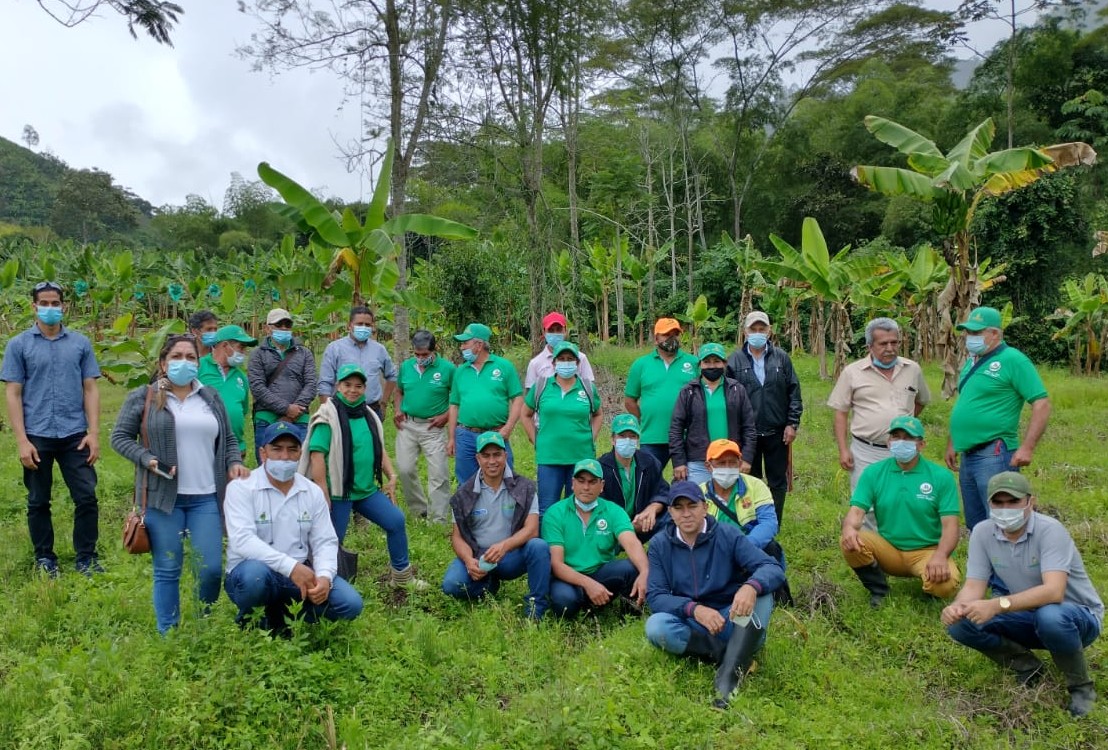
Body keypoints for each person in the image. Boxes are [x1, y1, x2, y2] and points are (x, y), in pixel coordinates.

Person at [111, 334, 249, 634]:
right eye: (176, 357)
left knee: (211, 569)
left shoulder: (210, 397)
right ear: (163, 363)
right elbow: (119, 437)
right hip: (163, 499)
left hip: (206, 499)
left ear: (198, 364)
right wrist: (145, 458)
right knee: (168, 569)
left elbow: (228, 442)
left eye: (190, 357)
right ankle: (169, 633)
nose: (183, 363)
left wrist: (234, 463)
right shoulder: (145, 397)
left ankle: (204, 624)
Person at [942, 473, 1102, 717]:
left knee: (1050, 617)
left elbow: (1054, 591)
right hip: (1027, 614)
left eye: (1013, 502)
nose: (1005, 509)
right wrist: (958, 606)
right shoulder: (983, 533)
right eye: (998, 503)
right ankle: (1027, 667)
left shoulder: (1050, 530)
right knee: (961, 623)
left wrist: (997, 604)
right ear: (989, 504)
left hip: (1077, 617)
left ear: (1030, 502)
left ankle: (1081, 687)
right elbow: (974, 586)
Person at [645, 480, 785, 708]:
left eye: (692, 506)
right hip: (694, 622)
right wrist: (695, 610)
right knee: (656, 626)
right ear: (670, 512)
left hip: (733, 617)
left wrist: (750, 587)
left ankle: (728, 679)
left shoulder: (727, 534)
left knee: (762, 593)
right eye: (678, 508)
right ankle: (730, 657)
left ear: (705, 507)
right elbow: (656, 595)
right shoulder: (660, 544)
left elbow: (771, 567)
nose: (686, 514)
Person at [2, 280, 102, 577]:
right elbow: (13, 393)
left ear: (64, 306)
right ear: (34, 306)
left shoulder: (80, 344)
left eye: (54, 303)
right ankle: (45, 557)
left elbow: (91, 389)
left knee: (86, 497)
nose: (49, 308)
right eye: (43, 303)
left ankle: (86, 557)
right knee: (38, 500)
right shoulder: (19, 345)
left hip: (75, 434)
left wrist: (94, 433)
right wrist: (21, 440)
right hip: (37, 434)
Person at [224, 421, 363, 630]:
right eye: (277, 449)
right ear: (263, 453)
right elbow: (242, 540)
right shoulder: (242, 487)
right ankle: (255, 620)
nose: (285, 457)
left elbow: (325, 540)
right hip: (257, 571)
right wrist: (291, 567)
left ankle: (283, 617)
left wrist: (324, 576)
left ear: (300, 453)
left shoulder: (311, 491)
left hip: (301, 574)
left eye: (292, 450)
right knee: (254, 578)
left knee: (350, 604)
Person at [301, 363, 425, 589]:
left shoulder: (368, 415)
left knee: (395, 521)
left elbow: (378, 448)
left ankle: (402, 578)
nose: (352, 390)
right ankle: (323, 582)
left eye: (358, 386)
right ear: (338, 386)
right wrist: (322, 491)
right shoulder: (327, 416)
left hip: (365, 490)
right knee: (332, 540)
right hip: (338, 492)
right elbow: (317, 455)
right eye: (347, 385)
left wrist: (391, 475)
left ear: (365, 388)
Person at [946, 306, 1051, 532]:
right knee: (977, 524)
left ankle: (1011, 566)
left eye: (977, 333)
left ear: (994, 334)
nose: (970, 338)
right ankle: (984, 567)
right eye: (968, 333)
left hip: (994, 452)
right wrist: (953, 442)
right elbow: (966, 404)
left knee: (1002, 520)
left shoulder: (1013, 360)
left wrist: (1027, 448)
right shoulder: (971, 362)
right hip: (969, 455)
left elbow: (1041, 403)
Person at [840, 416, 960, 607]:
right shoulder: (874, 472)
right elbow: (856, 512)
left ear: (921, 445)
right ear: (888, 443)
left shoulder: (941, 477)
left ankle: (930, 590)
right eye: (896, 437)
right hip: (888, 548)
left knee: (946, 584)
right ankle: (879, 590)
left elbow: (951, 526)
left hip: (927, 551)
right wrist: (849, 529)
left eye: (908, 438)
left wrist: (941, 556)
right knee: (851, 540)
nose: (901, 442)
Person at [441, 431, 550, 620]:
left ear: (505, 456)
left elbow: (532, 530)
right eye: (486, 455)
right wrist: (469, 561)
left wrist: (504, 546)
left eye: (497, 454)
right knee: (451, 585)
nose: (492, 461)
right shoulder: (463, 494)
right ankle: (487, 584)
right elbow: (457, 536)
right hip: (478, 556)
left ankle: (536, 607)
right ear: (478, 458)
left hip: (511, 555)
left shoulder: (524, 487)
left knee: (538, 546)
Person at [828, 317, 930, 491]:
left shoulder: (912, 369)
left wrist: (903, 427)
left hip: (905, 449)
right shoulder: (853, 373)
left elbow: (920, 401)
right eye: (883, 344)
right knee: (868, 503)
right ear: (869, 346)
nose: (890, 349)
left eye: (894, 342)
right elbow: (841, 413)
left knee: (903, 498)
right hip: (867, 451)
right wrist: (843, 449)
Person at [541, 459, 649, 618]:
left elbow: (632, 543)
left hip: (600, 573)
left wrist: (645, 571)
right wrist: (588, 584)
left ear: (602, 485)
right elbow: (556, 565)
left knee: (632, 568)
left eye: (592, 482)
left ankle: (630, 615)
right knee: (564, 601)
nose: (586, 487)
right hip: (568, 578)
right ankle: (585, 607)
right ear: (572, 483)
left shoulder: (613, 511)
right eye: (581, 481)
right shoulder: (555, 513)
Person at [725, 311, 802, 523]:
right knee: (750, 479)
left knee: (778, 480)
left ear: (769, 331)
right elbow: (728, 399)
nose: (758, 333)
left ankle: (774, 521)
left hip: (777, 432)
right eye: (753, 329)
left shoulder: (781, 358)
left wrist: (792, 423)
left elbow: (793, 392)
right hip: (747, 433)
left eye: (762, 329)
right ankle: (752, 519)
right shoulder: (734, 361)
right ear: (745, 332)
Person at [522, 341, 602, 514]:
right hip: (550, 458)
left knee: (579, 506)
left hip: (580, 458)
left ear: (577, 363)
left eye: (570, 359)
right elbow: (526, 414)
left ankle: (575, 541)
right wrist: (536, 440)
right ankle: (548, 541)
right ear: (554, 363)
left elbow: (598, 414)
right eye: (562, 359)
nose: (566, 362)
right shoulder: (542, 386)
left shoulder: (587, 387)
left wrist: (591, 437)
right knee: (547, 508)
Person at [447, 322, 524, 484]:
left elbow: (518, 398)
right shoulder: (460, 371)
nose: (462, 347)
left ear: (479, 344)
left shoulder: (504, 367)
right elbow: (454, 405)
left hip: (496, 434)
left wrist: (508, 428)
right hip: (466, 435)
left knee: (505, 480)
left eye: (465, 343)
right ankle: (468, 510)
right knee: (466, 483)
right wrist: (452, 437)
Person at [669, 343, 756, 486]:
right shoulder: (688, 392)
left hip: (730, 460)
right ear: (700, 365)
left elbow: (749, 427)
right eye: (707, 362)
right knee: (699, 503)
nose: (712, 366)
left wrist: (746, 457)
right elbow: (676, 429)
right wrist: (679, 462)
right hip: (699, 462)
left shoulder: (737, 390)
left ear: (724, 363)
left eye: (716, 361)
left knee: (728, 504)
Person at [392, 329, 455, 522]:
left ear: (434, 351)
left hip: (433, 428)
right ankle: (419, 510)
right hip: (408, 425)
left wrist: (446, 416)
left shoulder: (448, 369)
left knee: (438, 474)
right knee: (404, 468)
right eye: (417, 354)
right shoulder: (406, 367)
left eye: (424, 355)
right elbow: (399, 390)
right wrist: (397, 409)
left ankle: (438, 518)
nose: (420, 358)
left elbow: (457, 399)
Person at [623, 318, 699, 470]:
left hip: (687, 437)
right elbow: (630, 400)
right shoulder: (641, 364)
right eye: (666, 334)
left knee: (688, 485)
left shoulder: (693, 363)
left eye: (675, 334)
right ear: (656, 338)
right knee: (649, 481)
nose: (672, 338)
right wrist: (643, 419)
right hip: (652, 437)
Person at [248, 308, 317, 461]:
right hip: (267, 418)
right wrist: (286, 409)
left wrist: (296, 410)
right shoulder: (258, 354)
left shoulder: (304, 353)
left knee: (300, 467)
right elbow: (257, 388)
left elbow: (311, 384)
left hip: (299, 418)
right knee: (267, 466)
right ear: (267, 328)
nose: (284, 329)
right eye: (279, 325)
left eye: (287, 325)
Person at [597, 413, 671, 542]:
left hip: (643, 523)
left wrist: (652, 509)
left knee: (673, 514)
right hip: (612, 527)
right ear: (612, 439)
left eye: (632, 437)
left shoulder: (649, 462)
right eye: (622, 436)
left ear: (638, 440)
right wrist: (628, 527)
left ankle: (656, 555)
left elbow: (663, 491)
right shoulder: (601, 467)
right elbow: (597, 506)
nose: (627, 441)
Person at [318, 306, 397, 420]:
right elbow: (325, 383)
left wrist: (383, 403)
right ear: (349, 325)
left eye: (367, 325)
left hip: (372, 410)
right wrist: (327, 412)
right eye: (359, 324)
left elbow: (392, 375)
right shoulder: (334, 349)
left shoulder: (379, 349)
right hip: (342, 410)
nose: (363, 328)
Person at [198, 324, 256, 454]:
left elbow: (244, 408)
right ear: (225, 346)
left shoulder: (241, 377)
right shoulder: (199, 367)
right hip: (205, 447)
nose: (243, 353)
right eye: (241, 348)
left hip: (235, 448)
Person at [524, 311, 596, 388]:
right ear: (544, 332)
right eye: (551, 330)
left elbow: (590, 389)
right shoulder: (535, 364)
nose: (555, 333)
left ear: (565, 331)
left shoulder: (581, 358)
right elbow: (530, 394)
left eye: (559, 329)